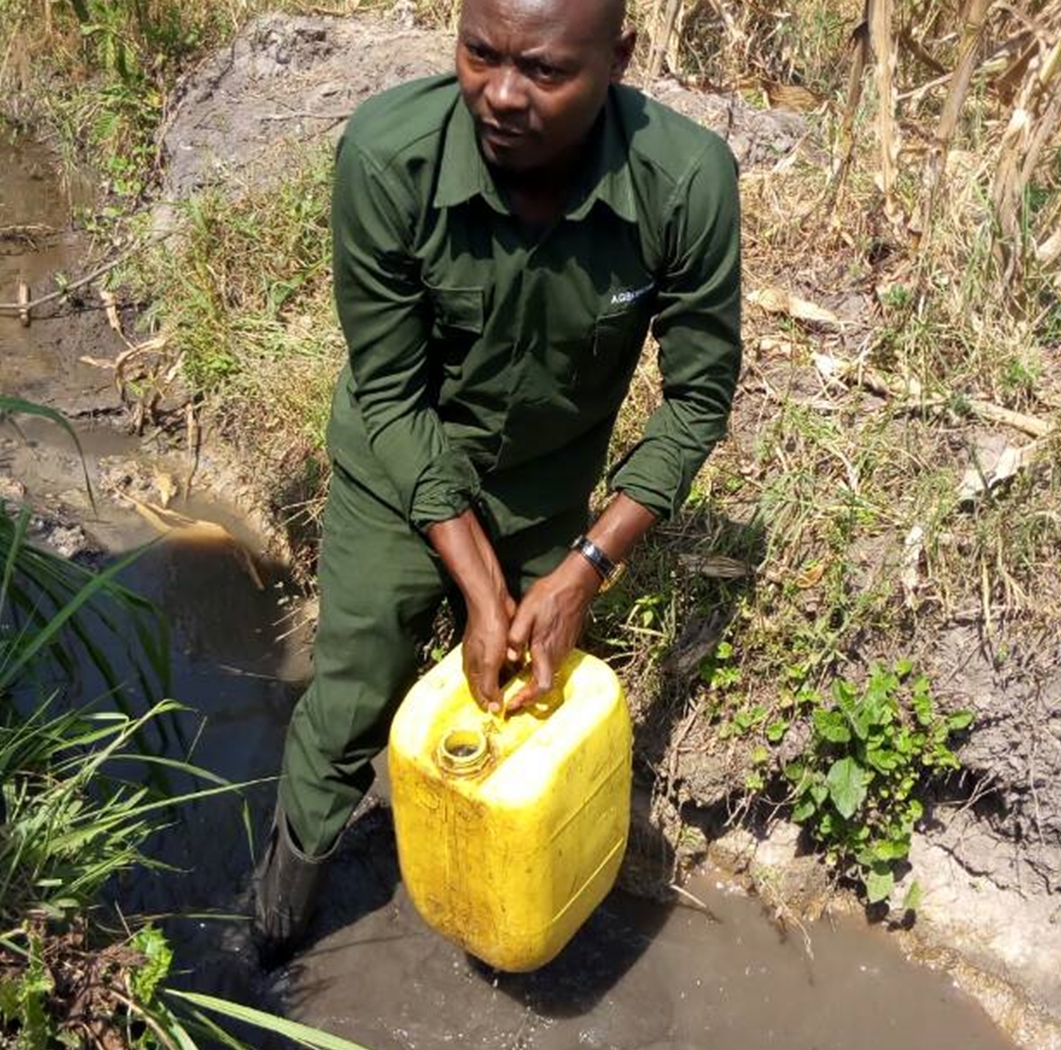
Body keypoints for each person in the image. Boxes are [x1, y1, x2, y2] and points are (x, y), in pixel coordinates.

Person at [252, 0, 742, 966]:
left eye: (546, 72)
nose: (503, 95)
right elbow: (391, 392)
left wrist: (583, 568)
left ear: (619, 60)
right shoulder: (390, 156)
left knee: (519, 709)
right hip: (396, 469)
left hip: (547, 493)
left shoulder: (684, 181)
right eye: (480, 54)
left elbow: (697, 400)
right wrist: (478, 585)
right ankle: (275, 919)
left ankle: (499, 917)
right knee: (352, 698)